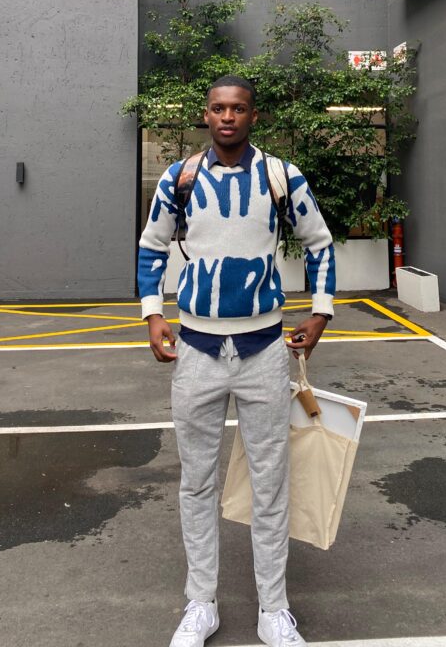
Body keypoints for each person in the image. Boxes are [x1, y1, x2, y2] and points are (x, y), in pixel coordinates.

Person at [138, 75, 336, 647]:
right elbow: (152, 247)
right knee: (196, 483)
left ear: (254, 116)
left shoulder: (281, 176)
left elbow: (319, 242)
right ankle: (201, 603)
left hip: (264, 352)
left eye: (239, 108)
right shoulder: (180, 178)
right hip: (196, 352)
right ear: (206, 115)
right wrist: (153, 314)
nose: (228, 117)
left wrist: (320, 312)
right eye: (219, 108)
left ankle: (274, 610)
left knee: (270, 484)